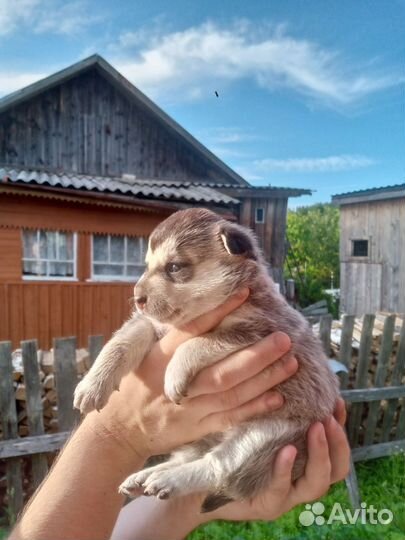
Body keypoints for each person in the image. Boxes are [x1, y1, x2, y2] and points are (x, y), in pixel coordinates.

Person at [10, 289, 350, 540]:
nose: (140, 288)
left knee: (223, 451)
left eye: (175, 268)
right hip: (240, 437)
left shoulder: (250, 302)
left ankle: (196, 471)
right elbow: (139, 330)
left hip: (280, 424)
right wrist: (114, 432)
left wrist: (190, 500)